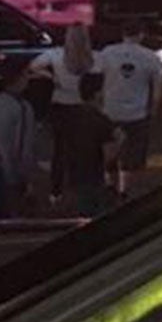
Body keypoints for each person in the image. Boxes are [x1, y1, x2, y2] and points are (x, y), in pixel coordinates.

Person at [98, 18, 162, 196]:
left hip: (110, 110)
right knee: (133, 155)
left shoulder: (107, 53)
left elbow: (97, 78)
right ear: (141, 35)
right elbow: (157, 91)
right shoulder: (151, 57)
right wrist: (153, 112)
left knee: (110, 149)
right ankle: (125, 191)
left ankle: (109, 185)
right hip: (137, 113)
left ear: (123, 34)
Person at [35, 24, 99, 197]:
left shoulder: (55, 55)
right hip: (82, 108)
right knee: (83, 150)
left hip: (61, 106)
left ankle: (56, 191)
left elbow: (33, 66)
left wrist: (52, 77)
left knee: (59, 151)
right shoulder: (94, 58)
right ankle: (81, 187)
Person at [0, 58, 38, 213]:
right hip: (13, 177)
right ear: (19, 77)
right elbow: (24, 147)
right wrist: (27, 179)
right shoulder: (23, 108)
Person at [65, 72, 117, 216]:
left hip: (74, 176)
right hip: (95, 178)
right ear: (98, 93)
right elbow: (109, 156)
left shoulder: (71, 118)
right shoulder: (102, 121)